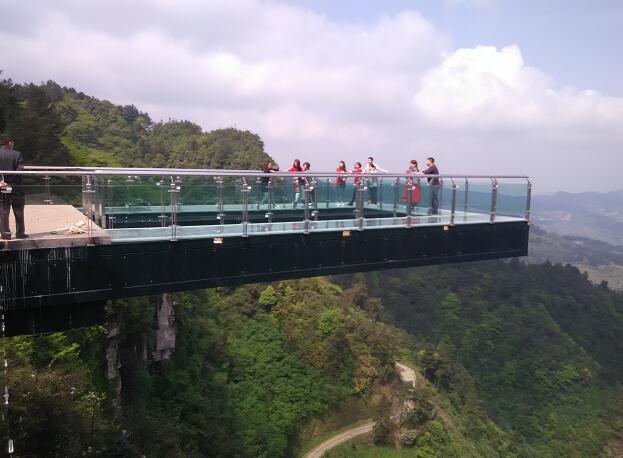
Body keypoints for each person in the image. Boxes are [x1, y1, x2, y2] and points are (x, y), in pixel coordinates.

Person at [0, 134, 27, 239]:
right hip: (16, 187)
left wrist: (2, 181)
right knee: (19, 210)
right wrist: (11, 182)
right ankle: (20, 233)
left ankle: (5, 234)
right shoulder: (17, 154)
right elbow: (20, 170)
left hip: (2, 187)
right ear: (10, 143)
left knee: (3, 211)